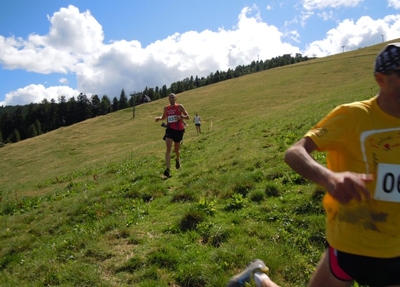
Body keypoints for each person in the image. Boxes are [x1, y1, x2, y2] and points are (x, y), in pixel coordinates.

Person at [227, 43, 400, 287]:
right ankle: (259, 278)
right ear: (381, 79)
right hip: (352, 242)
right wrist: (330, 178)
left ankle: (257, 277)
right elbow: (294, 152)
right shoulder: (354, 116)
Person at [155, 93, 189, 178]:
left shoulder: (180, 106)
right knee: (168, 148)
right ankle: (168, 169)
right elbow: (164, 117)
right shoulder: (166, 108)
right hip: (170, 129)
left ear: (175, 98)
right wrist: (159, 118)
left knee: (176, 149)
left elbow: (187, 117)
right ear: (168, 99)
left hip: (179, 130)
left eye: (172, 97)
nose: (171, 98)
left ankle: (177, 159)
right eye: (170, 97)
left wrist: (181, 117)